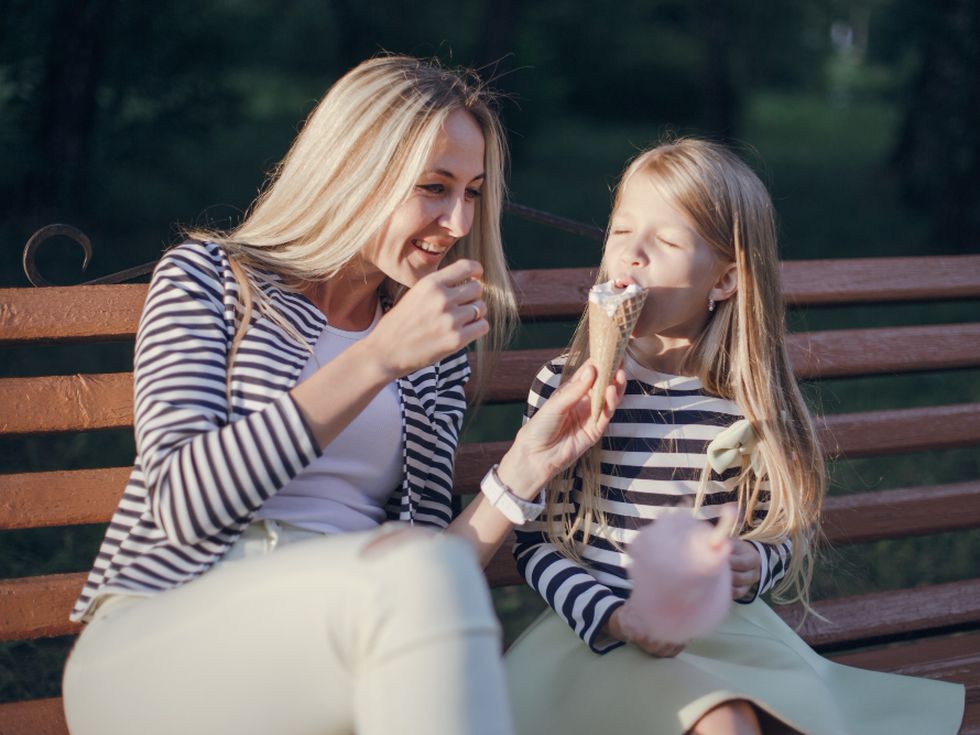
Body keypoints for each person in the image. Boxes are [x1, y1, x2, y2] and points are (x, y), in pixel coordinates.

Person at [61, 55, 625, 735]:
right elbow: (183, 502)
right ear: (354, 171)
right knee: (412, 581)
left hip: (342, 634)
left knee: (421, 577)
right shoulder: (209, 281)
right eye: (434, 186)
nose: (455, 221)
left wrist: (523, 470)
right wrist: (376, 359)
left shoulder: (430, 347)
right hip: (164, 631)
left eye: (472, 191)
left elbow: (432, 566)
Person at [504, 138, 965, 735]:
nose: (633, 255)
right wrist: (614, 617)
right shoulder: (565, 392)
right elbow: (534, 545)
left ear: (723, 281)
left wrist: (756, 561)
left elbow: (780, 527)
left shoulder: (743, 407)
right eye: (621, 232)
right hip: (598, 636)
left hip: (722, 637)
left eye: (666, 242)